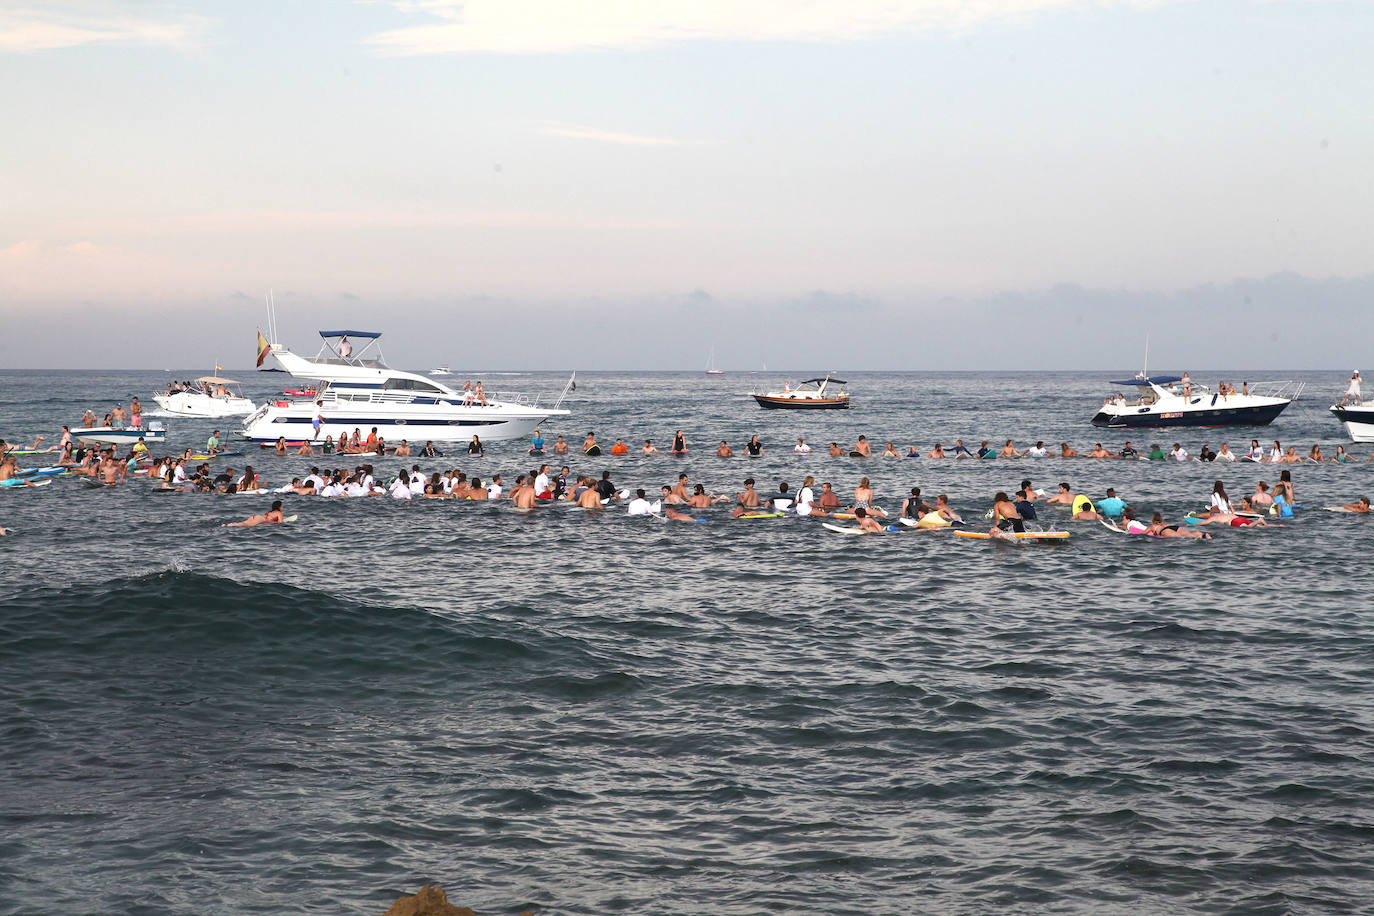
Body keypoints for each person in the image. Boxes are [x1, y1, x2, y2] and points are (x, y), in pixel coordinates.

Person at [1146, 512, 1212, 538]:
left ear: (1153, 520)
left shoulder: (1152, 526)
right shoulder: (1164, 523)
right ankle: (1203, 535)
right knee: (1189, 535)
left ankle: (1203, 536)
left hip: (1165, 531)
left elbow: (1143, 533)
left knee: (1182, 537)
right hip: (1174, 527)